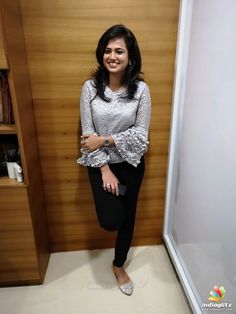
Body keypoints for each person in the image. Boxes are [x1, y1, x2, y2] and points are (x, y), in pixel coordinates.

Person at [77, 24, 151, 296]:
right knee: (111, 219)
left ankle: (119, 266)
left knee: (128, 217)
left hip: (131, 164)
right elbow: (88, 137)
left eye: (119, 51)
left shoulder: (141, 90)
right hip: (100, 164)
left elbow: (141, 137)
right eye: (107, 50)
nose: (112, 56)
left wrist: (106, 139)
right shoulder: (90, 88)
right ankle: (117, 255)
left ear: (130, 57)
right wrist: (105, 169)